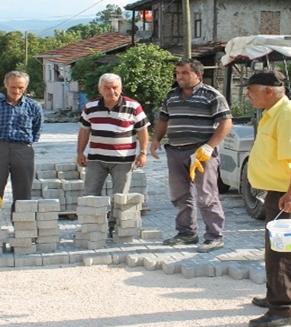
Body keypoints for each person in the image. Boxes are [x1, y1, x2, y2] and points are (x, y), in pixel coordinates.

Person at [244, 71, 291, 327]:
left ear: (268, 90)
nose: (247, 94)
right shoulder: (272, 113)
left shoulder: (289, 114)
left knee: (284, 253)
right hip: (279, 192)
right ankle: (275, 296)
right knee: (274, 250)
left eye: (251, 89)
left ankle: (285, 310)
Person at [150, 58, 232, 253]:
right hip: (175, 151)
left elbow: (226, 123)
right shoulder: (171, 96)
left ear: (198, 74)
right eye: (178, 73)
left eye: (185, 73)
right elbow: (163, 119)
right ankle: (186, 233)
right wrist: (155, 140)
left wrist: (209, 147)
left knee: (206, 195)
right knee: (180, 195)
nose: (180, 77)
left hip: (201, 154)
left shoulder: (212, 95)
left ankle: (214, 236)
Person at [76, 73, 150, 231]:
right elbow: (84, 131)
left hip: (123, 160)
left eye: (115, 87)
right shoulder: (90, 107)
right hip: (96, 159)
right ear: (100, 89)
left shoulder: (133, 106)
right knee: (90, 194)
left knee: (120, 196)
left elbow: (143, 131)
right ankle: (91, 227)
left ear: (121, 88)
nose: (112, 91)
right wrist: (80, 152)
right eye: (107, 88)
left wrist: (143, 152)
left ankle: (114, 227)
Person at [0, 71, 42, 212]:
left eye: (20, 87)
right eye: (13, 87)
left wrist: (24, 145)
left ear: (25, 87)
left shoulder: (34, 107)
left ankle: (22, 224)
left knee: (23, 188)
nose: (17, 91)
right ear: (6, 85)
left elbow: (37, 129)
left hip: (23, 149)